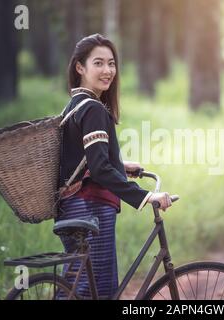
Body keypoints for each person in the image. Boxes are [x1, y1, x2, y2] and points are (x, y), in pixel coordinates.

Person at [56, 33, 172, 299]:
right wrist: (145, 195)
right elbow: (98, 169)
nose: (107, 70)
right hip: (90, 209)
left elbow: (83, 158)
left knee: (79, 288)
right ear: (80, 67)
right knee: (97, 290)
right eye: (98, 63)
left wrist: (119, 164)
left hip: (72, 208)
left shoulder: (74, 105)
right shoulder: (94, 109)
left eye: (111, 63)